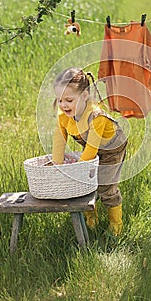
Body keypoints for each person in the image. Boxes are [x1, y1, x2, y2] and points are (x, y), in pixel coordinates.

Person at [52, 67, 128, 236]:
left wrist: (75, 172)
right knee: (85, 185)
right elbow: (59, 139)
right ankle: (91, 220)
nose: (64, 105)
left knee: (105, 186)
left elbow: (91, 151)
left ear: (84, 96)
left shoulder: (96, 117)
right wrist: (57, 166)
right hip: (92, 147)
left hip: (112, 149)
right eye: (60, 100)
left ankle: (116, 226)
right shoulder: (63, 116)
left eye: (69, 100)